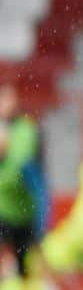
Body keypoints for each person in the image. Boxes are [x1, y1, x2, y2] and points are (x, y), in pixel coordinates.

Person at [0, 82, 44, 276]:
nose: (7, 103)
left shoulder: (26, 129)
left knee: (23, 266)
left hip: (22, 207)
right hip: (2, 208)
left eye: (10, 98)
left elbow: (23, 162)